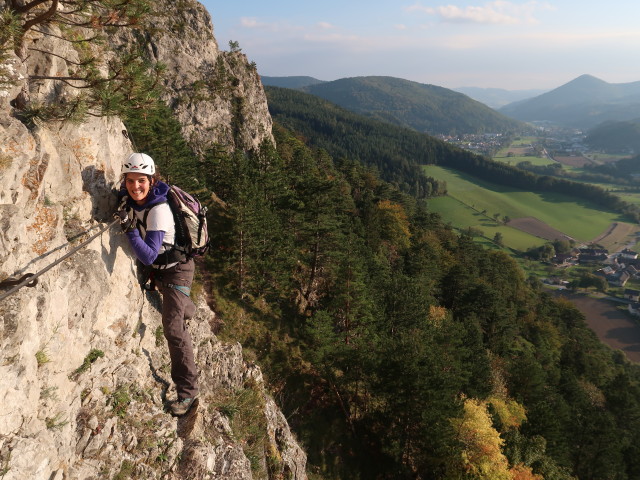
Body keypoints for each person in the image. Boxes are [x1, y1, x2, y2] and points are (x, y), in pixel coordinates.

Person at [114, 152, 199, 416]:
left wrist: (129, 229)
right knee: (178, 308)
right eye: (130, 180)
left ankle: (188, 392)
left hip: (177, 271)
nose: (135, 186)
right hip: (161, 271)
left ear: (152, 181)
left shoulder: (159, 211)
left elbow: (149, 254)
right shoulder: (131, 198)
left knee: (174, 330)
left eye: (141, 181)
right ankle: (186, 306)